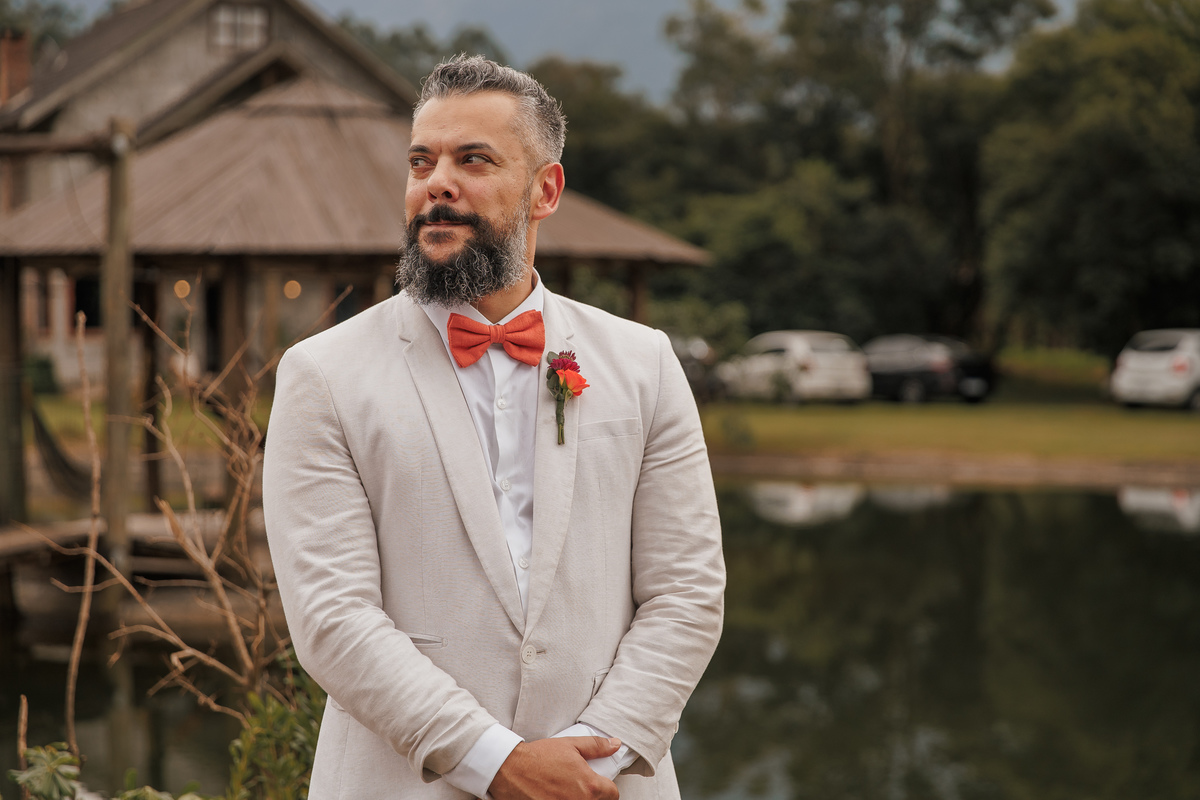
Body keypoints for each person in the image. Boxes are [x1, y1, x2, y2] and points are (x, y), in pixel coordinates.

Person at [262, 55, 725, 800]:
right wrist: (497, 762)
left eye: (472, 159)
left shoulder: (643, 363)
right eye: (422, 161)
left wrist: (586, 765)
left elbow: (687, 593)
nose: (437, 183)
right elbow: (333, 617)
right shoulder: (323, 375)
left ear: (545, 190)